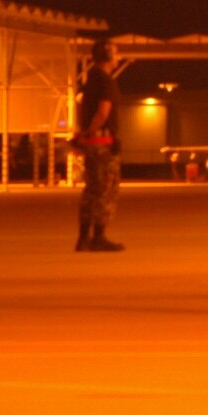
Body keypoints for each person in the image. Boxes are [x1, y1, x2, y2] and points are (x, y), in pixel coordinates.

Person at [73, 35, 125, 252]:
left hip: (92, 144)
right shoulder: (106, 81)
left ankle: (83, 237)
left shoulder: (90, 80)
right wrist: (90, 131)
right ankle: (99, 236)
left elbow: (80, 106)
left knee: (91, 190)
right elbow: (103, 112)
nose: (118, 57)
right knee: (106, 190)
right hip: (103, 144)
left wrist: (83, 134)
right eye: (116, 53)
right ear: (108, 56)